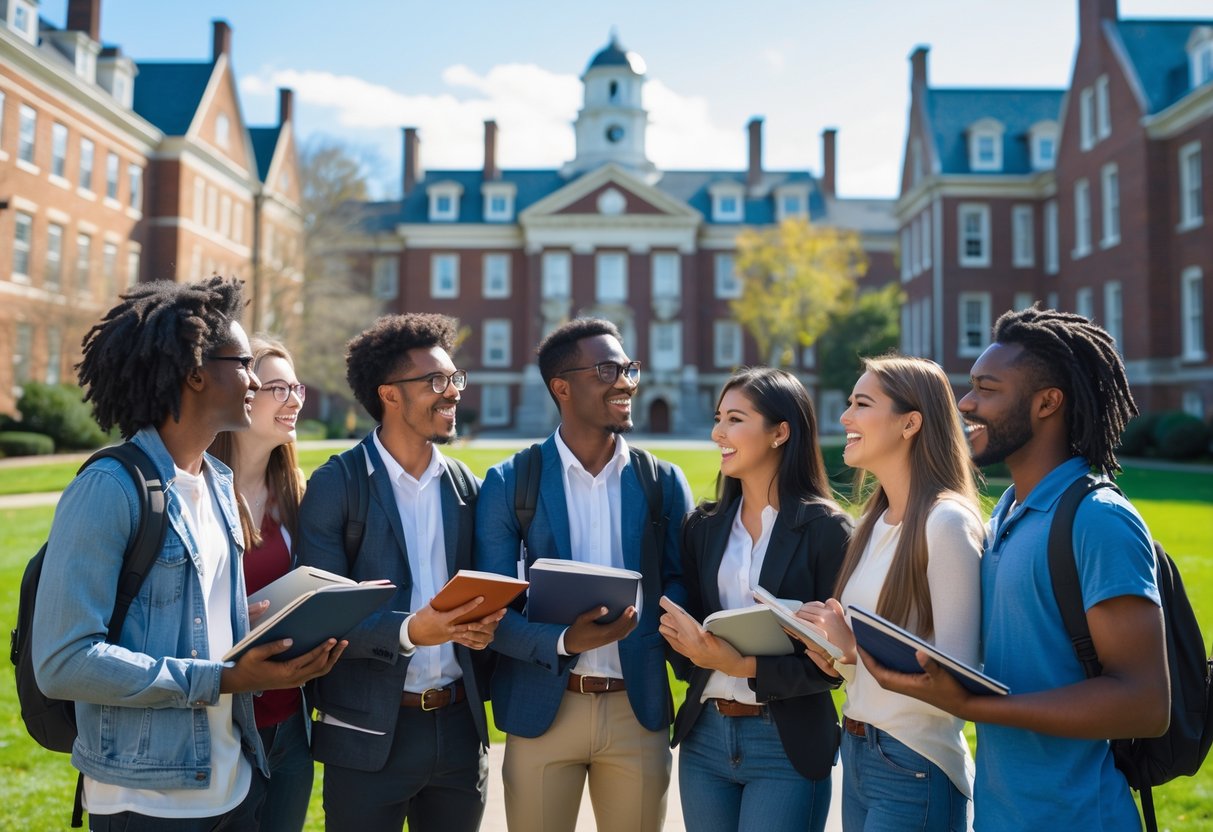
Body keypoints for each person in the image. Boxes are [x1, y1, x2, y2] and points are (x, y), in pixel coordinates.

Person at [32, 277, 345, 832]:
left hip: (236, 784)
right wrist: (222, 678)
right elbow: (63, 662)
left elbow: (191, 623)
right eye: (244, 363)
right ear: (196, 372)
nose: (256, 380)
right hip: (146, 799)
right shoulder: (109, 487)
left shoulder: (218, 484)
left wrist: (256, 627)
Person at [863, 308, 1169, 831]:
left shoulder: (1098, 520)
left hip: (1080, 818)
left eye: (987, 388)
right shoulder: (1005, 512)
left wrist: (977, 708)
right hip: (1002, 816)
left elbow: (1144, 702)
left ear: (1047, 402)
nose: (965, 402)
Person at [475, 318, 692, 832]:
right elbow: (488, 611)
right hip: (542, 711)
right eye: (608, 369)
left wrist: (659, 617)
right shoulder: (511, 482)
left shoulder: (662, 481)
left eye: (628, 369)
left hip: (636, 712)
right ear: (561, 387)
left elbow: (683, 582)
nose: (626, 382)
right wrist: (563, 640)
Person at [295, 313, 504, 832]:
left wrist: (484, 624)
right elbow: (319, 616)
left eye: (455, 379)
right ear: (389, 395)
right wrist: (412, 630)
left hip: (459, 731)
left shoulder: (465, 486)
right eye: (437, 381)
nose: (453, 392)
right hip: (367, 737)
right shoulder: (336, 484)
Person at [791, 355, 984, 831]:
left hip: (914, 761)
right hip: (858, 749)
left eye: (861, 404)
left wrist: (856, 648)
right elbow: (866, 662)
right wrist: (833, 650)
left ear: (910, 423)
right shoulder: (871, 524)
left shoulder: (947, 523)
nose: (845, 417)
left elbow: (958, 678)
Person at [657, 367, 851, 832]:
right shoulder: (701, 528)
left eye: (735, 419)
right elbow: (691, 636)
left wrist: (741, 665)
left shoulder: (827, 530)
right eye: (718, 417)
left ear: (780, 432)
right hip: (704, 737)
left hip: (785, 742)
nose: (718, 432)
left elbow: (835, 665)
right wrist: (689, 646)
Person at [209, 337, 313, 832]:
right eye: (278, 388)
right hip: (218, 723)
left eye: (296, 387)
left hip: (289, 726)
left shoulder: (300, 496)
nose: (293, 399)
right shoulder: (197, 494)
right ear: (244, 394)